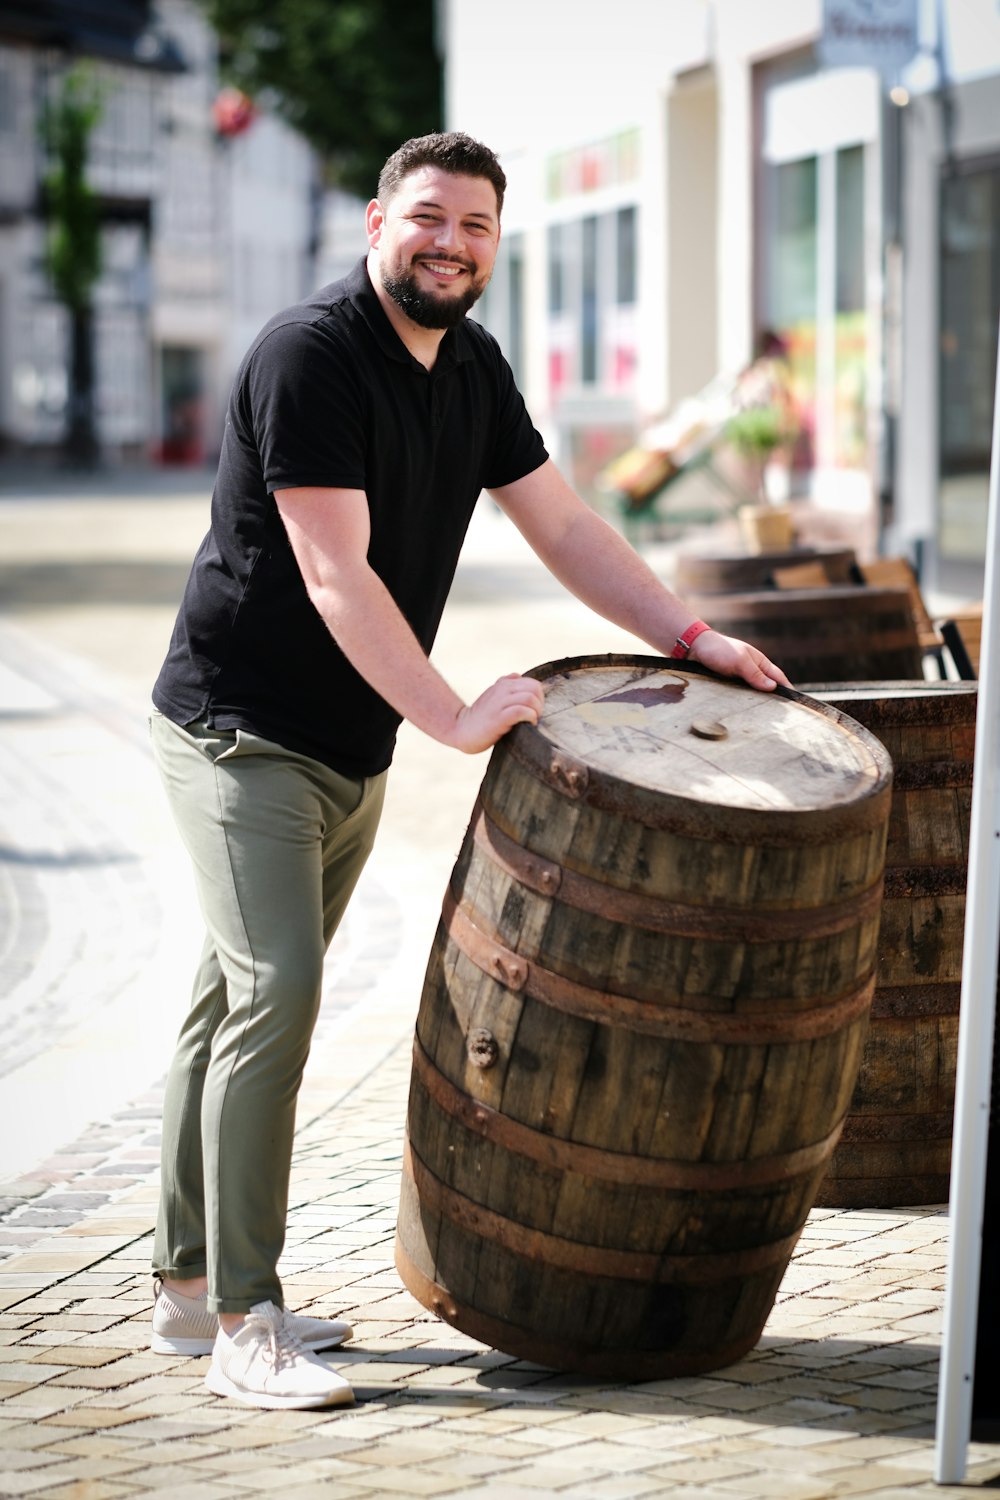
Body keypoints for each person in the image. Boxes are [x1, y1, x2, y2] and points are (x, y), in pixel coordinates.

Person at [147, 130, 789, 1413]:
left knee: (229, 1001)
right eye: (428, 217)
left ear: (495, 245)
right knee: (277, 994)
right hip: (242, 730)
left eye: (476, 227)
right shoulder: (309, 355)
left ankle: (182, 1289)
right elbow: (337, 575)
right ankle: (243, 1321)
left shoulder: (472, 365)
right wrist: (449, 714)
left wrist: (693, 635)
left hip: (348, 743)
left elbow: (563, 523)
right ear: (378, 219)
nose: (450, 243)